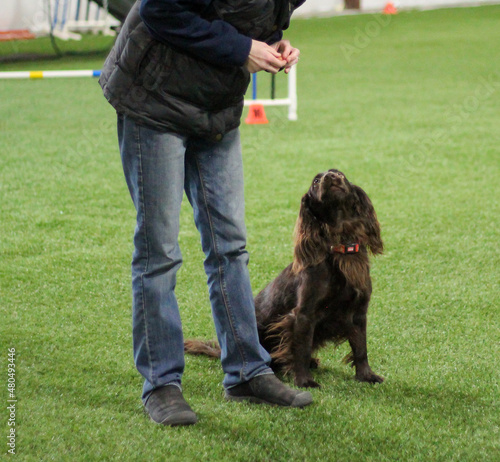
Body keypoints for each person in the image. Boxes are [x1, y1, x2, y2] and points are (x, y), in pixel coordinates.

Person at [99, 0, 310, 426]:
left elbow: (253, 14)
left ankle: (247, 372)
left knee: (229, 246)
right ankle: (160, 383)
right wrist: (242, 49)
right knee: (158, 251)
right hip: (154, 97)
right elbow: (160, 10)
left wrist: (271, 44)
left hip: (215, 105)